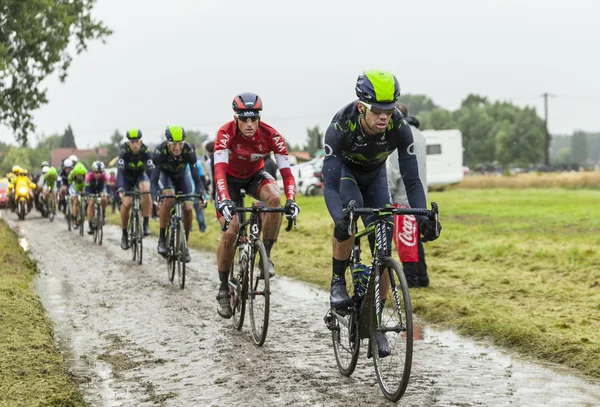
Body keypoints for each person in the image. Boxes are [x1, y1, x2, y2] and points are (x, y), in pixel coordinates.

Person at [322, 70, 442, 354]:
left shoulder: (399, 127)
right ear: (362, 105)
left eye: (388, 110)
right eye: (377, 110)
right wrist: (339, 219)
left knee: (383, 246)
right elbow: (328, 183)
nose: (384, 116)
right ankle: (338, 281)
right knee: (348, 220)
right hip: (346, 176)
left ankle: (375, 321)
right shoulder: (341, 125)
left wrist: (422, 217)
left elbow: (412, 180)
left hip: (375, 176)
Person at [213, 92, 300, 319]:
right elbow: (219, 172)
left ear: (259, 118)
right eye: (244, 119)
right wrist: (224, 200)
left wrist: (292, 200)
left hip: (254, 176)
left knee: (274, 199)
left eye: (254, 118)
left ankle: (266, 256)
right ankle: (223, 288)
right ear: (236, 118)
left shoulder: (272, 135)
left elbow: (287, 174)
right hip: (229, 181)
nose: (249, 124)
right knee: (231, 231)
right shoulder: (225, 134)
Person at [386, 103, 429, 288]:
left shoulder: (399, 135)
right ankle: (422, 276)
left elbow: (394, 171)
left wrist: (387, 193)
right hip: (419, 194)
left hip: (402, 197)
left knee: (406, 240)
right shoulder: (419, 134)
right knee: (415, 238)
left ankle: (411, 279)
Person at [150, 126, 205, 263]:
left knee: (188, 208)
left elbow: (196, 178)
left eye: (180, 144)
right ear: (167, 143)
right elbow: (153, 179)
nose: (177, 148)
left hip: (182, 176)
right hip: (165, 176)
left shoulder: (189, 150)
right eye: (174, 144)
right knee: (169, 197)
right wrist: (155, 197)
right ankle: (162, 239)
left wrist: (201, 194)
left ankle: (184, 244)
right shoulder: (159, 151)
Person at [116, 129, 154, 250]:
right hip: (126, 178)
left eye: (137, 142)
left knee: (146, 189)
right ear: (128, 143)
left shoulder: (145, 150)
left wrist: (154, 185)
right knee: (126, 204)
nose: (134, 144)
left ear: (141, 141)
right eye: (132, 142)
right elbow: (120, 171)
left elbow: (150, 169)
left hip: (139, 176)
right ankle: (124, 234)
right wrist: (121, 187)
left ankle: (146, 222)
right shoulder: (124, 151)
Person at [84, 161, 109, 234]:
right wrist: (88, 195)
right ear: (93, 171)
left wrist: (109, 194)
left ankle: (103, 214)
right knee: (91, 203)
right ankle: (90, 224)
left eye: (100, 172)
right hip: (91, 190)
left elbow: (108, 187)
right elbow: (87, 189)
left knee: (104, 198)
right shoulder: (89, 176)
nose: (98, 174)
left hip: (100, 189)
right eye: (96, 172)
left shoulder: (105, 176)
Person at [68, 162, 87, 228]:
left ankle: (84, 212)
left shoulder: (85, 174)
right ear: (75, 174)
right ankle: (74, 219)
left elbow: (87, 185)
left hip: (83, 185)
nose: (80, 177)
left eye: (81, 175)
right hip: (75, 185)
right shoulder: (72, 174)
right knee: (75, 201)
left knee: (86, 199)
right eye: (78, 175)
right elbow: (70, 183)